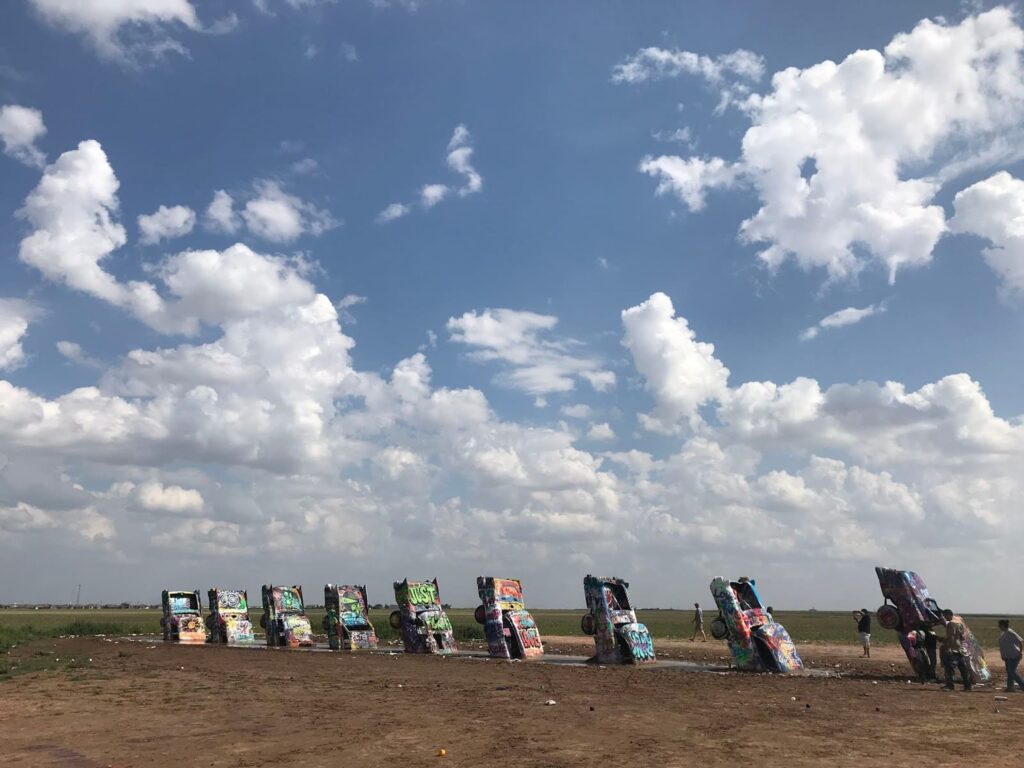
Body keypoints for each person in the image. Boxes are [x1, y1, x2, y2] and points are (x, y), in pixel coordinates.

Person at [940, 609, 972, 691]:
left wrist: (947, 647)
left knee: (949, 668)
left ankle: (950, 685)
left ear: (948, 614)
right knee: (963, 669)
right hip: (960, 648)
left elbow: (951, 637)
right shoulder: (959, 623)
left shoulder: (951, 624)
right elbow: (962, 637)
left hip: (953, 648)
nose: (944, 618)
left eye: (945, 616)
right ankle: (967, 686)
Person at [998, 619, 1024, 692]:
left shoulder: (1010, 632)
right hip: (1007, 656)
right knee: (1009, 672)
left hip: (1014, 655)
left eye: (999, 625)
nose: (999, 627)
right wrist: (1003, 655)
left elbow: (1020, 641)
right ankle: (1010, 687)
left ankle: (1022, 685)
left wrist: (1020, 652)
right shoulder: (1003, 633)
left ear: (1003, 625)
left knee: (1012, 671)